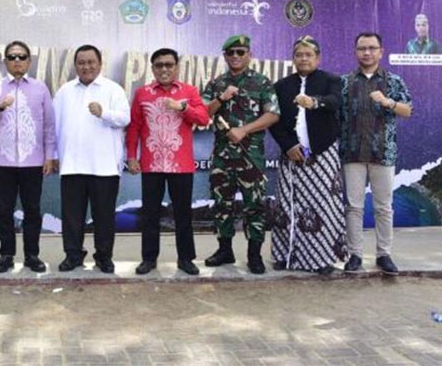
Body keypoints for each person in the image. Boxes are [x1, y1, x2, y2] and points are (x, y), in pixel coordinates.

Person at [126, 48, 210, 275]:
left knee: (183, 213)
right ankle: (148, 258)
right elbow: (134, 127)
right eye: (159, 65)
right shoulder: (142, 93)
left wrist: (182, 106)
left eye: (169, 64)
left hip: (181, 165)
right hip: (151, 164)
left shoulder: (189, 91)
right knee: (150, 213)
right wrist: (131, 156)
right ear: (152, 68)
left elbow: (203, 118)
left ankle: (186, 259)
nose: (164, 69)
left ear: (176, 67)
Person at [201, 35, 279, 274]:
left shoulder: (262, 82)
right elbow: (202, 113)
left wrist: (244, 130)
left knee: (254, 206)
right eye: (231, 52)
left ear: (249, 55)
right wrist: (221, 98)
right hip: (222, 157)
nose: (235, 56)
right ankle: (225, 250)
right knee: (222, 204)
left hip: (251, 156)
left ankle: (254, 255)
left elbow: (273, 114)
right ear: (225, 56)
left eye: (240, 52)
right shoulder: (216, 83)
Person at [268, 35, 346, 275]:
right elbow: (274, 121)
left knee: (323, 206)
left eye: (308, 55)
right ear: (293, 59)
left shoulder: (331, 80)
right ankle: (286, 256)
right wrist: (288, 146)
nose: (303, 59)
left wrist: (314, 102)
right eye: (299, 55)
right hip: (292, 155)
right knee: (287, 206)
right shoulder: (281, 86)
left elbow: (335, 101)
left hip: (323, 153)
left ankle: (322, 259)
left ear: (317, 58)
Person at [53, 44, 130, 274]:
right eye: (81, 63)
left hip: (104, 167)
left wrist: (103, 113)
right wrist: (54, 156)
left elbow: (125, 118)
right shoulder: (65, 91)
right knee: (72, 217)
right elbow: (54, 126)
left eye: (90, 62)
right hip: (72, 165)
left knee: (104, 217)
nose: (86, 67)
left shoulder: (113, 89)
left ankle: (104, 257)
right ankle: (73, 255)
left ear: (100, 64)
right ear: (75, 65)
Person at [341, 32, 413, 275]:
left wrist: (388, 102)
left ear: (381, 52)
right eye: (362, 48)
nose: (367, 53)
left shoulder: (394, 81)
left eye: (372, 48)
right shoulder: (345, 82)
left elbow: (408, 110)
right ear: (355, 52)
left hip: (383, 152)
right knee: (354, 207)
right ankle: (354, 255)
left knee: (383, 207)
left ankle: (384, 254)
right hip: (352, 153)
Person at [0, 41, 56, 273]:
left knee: (32, 209)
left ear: (29, 62)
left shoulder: (40, 88)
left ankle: (32, 255)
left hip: (33, 161)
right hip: (3, 161)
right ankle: (6, 255)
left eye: (22, 57)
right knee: (4, 210)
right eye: (12, 57)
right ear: (5, 61)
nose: (17, 61)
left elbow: (49, 125)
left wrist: (49, 156)